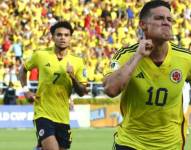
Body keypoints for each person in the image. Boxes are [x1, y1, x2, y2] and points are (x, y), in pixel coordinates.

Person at [103, 1, 191, 150]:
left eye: (169, 20)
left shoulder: (185, 58)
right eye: (159, 18)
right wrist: (138, 56)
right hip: (130, 142)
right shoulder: (125, 55)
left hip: (170, 144)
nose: (166, 23)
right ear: (143, 25)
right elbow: (110, 89)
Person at [19, 21, 87, 150]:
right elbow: (22, 70)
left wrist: (73, 77)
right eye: (59, 35)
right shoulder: (41, 55)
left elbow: (83, 91)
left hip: (63, 117)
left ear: (70, 38)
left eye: (66, 35)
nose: (63, 38)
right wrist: (26, 90)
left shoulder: (77, 62)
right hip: (43, 113)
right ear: (52, 37)